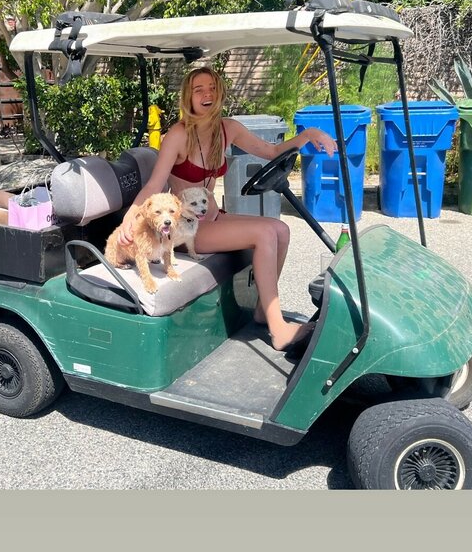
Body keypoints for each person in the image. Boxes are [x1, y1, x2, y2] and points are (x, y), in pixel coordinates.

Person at [118, 65, 337, 351]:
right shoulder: (177, 136)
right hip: (188, 229)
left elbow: (271, 151)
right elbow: (154, 184)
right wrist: (130, 217)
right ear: (188, 97)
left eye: (212, 88)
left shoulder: (228, 128)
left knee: (281, 229)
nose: (207, 94)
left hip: (214, 218)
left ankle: (264, 311)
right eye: (199, 90)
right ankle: (279, 330)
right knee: (264, 234)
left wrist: (308, 134)